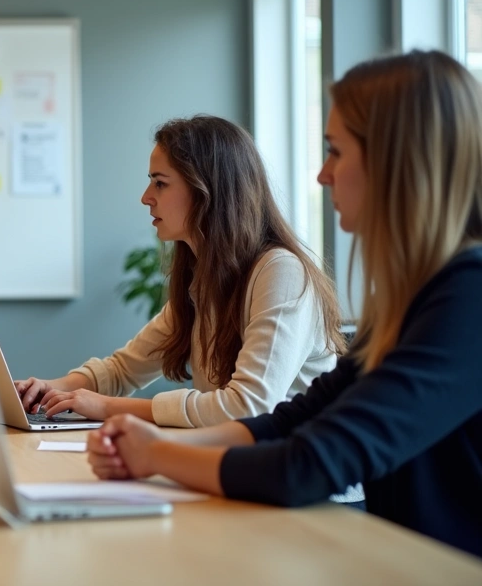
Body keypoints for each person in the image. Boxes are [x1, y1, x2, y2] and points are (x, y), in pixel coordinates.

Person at [87, 51, 482, 558]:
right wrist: (156, 448)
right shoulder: (416, 294)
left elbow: (307, 464)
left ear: (396, 161)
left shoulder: (467, 299)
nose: (322, 175)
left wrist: (157, 456)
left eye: (336, 151)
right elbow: (293, 420)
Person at [17, 116, 345, 428]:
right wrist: (48, 389)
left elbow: (247, 405)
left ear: (207, 191)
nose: (146, 198)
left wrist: (109, 407)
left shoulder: (281, 274)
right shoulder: (205, 280)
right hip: (240, 464)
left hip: (293, 478)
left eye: (160, 184)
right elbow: (122, 370)